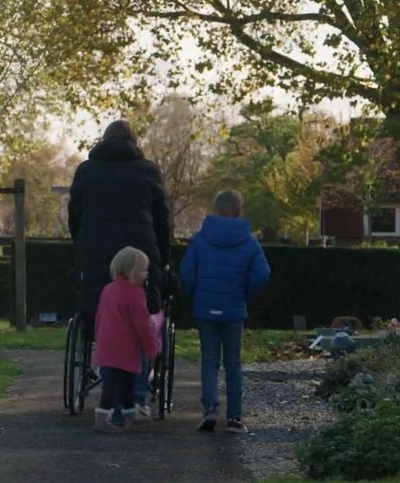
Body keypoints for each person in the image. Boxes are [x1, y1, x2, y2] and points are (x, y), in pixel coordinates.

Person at [68, 119, 170, 419]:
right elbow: (161, 221)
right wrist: (164, 260)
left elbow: (75, 216)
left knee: (93, 308)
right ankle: (139, 390)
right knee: (144, 313)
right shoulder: (148, 171)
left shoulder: (86, 171)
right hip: (140, 257)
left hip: (95, 258)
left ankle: (101, 366)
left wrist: (82, 247)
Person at [180, 189, 271, 434]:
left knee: (209, 360)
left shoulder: (201, 238)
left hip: (205, 307)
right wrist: (244, 293)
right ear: (240, 209)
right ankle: (234, 418)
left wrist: (196, 293)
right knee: (233, 363)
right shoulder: (249, 241)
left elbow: (187, 271)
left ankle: (210, 409)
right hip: (234, 308)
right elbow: (262, 273)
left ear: (216, 208)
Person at [93, 247, 161, 433]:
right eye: (143, 270)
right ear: (133, 272)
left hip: (107, 345)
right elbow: (143, 325)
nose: (147, 274)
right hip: (125, 347)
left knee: (117, 384)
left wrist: (98, 339)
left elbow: (99, 317)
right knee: (121, 385)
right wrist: (151, 347)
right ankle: (103, 419)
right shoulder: (135, 294)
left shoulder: (108, 289)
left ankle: (128, 416)